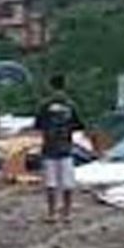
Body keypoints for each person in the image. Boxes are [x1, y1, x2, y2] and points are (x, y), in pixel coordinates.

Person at [35, 74, 83, 223]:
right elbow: (79, 125)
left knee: (51, 183)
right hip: (66, 147)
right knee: (68, 183)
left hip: (49, 148)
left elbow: (38, 125)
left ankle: (52, 213)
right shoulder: (71, 105)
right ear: (65, 85)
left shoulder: (44, 105)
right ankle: (67, 213)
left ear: (50, 86)